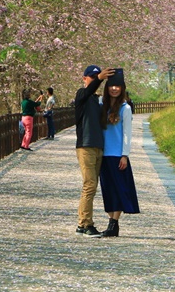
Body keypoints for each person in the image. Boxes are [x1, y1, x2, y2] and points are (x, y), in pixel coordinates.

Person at [74, 64, 114, 237]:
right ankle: (85, 224)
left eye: (97, 76)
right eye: (92, 76)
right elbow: (89, 90)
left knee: (92, 185)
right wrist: (99, 79)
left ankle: (84, 225)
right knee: (89, 185)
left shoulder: (97, 100)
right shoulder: (81, 95)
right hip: (86, 146)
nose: (95, 79)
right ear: (84, 78)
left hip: (98, 147)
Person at [98, 68, 139, 237]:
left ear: (122, 88)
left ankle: (114, 223)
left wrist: (125, 155)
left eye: (118, 86)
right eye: (111, 86)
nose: (114, 89)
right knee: (107, 189)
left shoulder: (125, 108)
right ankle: (111, 223)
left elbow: (127, 134)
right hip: (103, 154)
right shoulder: (102, 105)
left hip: (117, 155)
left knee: (118, 189)